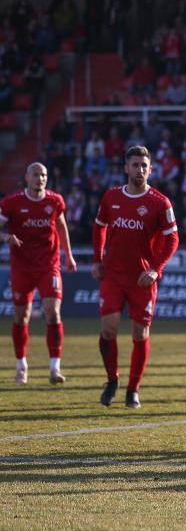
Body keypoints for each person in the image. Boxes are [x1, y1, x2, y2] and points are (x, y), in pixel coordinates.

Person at [93, 146, 179, 409]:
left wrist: (156, 269)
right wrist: (97, 260)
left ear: (150, 169)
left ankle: (134, 389)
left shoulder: (160, 202)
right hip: (114, 275)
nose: (139, 169)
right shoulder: (111, 197)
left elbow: (172, 239)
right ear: (125, 168)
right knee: (109, 327)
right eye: (135, 165)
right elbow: (99, 228)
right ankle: (112, 381)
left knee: (140, 334)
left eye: (144, 165)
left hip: (142, 278)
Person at [0, 163, 76, 385]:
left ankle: (54, 368)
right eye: (36, 174)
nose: (40, 178)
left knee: (52, 313)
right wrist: (6, 238)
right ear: (26, 177)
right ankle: (21, 366)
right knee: (21, 316)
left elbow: (61, 227)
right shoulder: (12, 202)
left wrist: (69, 256)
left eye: (43, 174)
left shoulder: (54, 201)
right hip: (22, 267)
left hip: (48, 266)